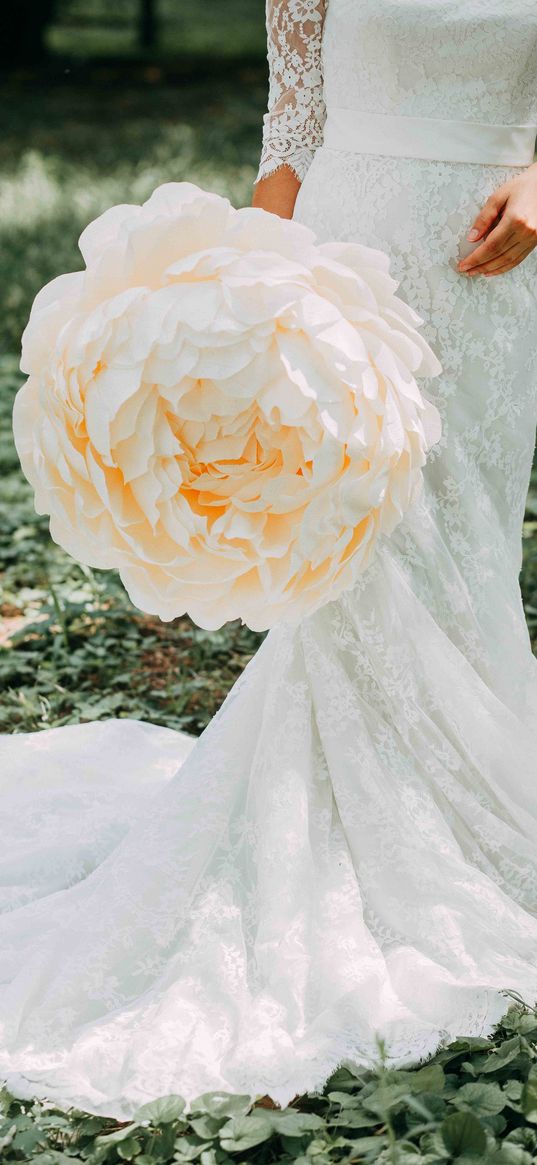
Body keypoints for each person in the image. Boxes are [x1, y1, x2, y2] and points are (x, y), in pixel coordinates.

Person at [0, 0, 537, 1122]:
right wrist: (246, 284)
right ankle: (339, 848)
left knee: (462, 564)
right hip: (348, 267)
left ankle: (452, 825)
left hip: (495, 266)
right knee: (360, 576)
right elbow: (298, 113)